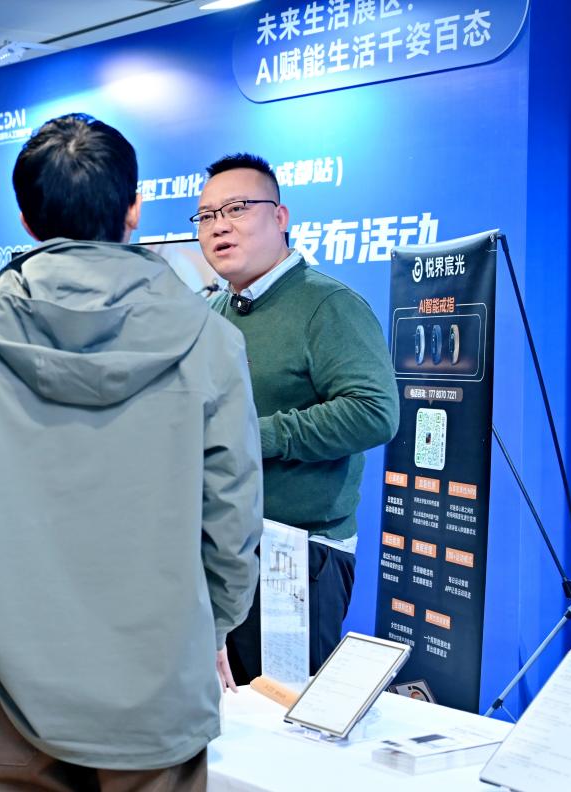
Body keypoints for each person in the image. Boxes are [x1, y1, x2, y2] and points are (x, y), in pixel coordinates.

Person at [0, 113, 263, 790]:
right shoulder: (209, 338)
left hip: (17, 677)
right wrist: (209, 621)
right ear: (134, 209)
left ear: (25, 219)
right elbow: (233, 511)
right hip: (159, 680)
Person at [193, 152, 399, 683]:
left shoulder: (327, 305)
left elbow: (374, 412)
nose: (219, 226)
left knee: (281, 718)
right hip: (219, 551)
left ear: (280, 217)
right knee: (223, 715)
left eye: (237, 208)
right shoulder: (211, 313)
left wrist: (252, 436)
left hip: (296, 558)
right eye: (207, 215)